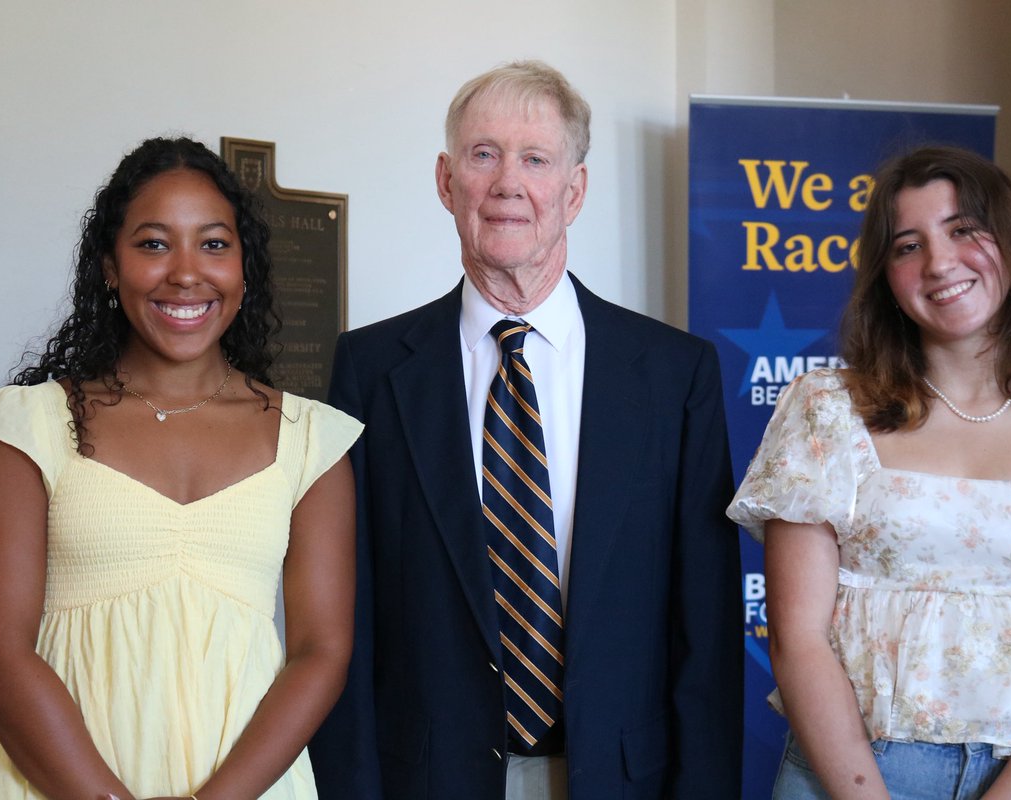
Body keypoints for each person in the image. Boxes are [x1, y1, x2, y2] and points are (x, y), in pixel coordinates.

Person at [306, 60, 743, 800]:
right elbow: (349, 617)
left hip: (623, 780)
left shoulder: (675, 376)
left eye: (535, 159)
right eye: (484, 155)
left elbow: (707, 629)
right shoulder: (370, 370)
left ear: (574, 191)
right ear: (446, 182)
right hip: (429, 782)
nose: (508, 183)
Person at [0, 137, 362, 800]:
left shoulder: (312, 440)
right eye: (153, 244)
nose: (186, 273)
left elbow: (322, 653)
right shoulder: (25, 428)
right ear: (110, 268)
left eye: (213, 244)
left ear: (245, 268)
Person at [728, 145, 1011, 799]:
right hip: (852, 777)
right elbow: (797, 639)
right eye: (908, 246)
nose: (939, 262)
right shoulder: (826, 410)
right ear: (886, 280)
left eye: (963, 230)